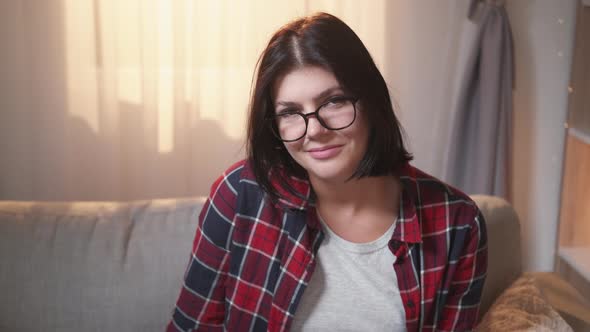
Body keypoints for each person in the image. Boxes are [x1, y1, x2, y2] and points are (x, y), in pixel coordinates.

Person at [167, 12, 487, 332]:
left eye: (334, 101)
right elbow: (191, 327)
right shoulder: (239, 193)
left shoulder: (457, 222)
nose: (314, 131)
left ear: (371, 102)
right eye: (290, 112)